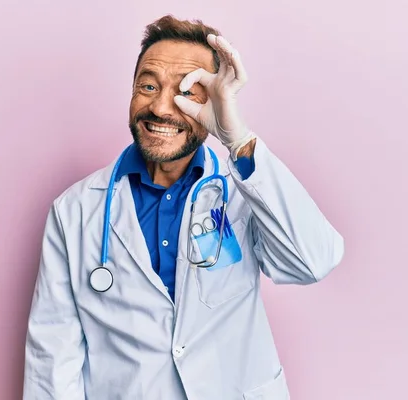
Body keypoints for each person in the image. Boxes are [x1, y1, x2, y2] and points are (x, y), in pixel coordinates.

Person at [23, 15, 344, 400]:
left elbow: (312, 262)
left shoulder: (243, 193)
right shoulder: (74, 211)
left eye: (187, 92)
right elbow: (52, 357)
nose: (161, 107)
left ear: (214, 103)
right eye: (148, 85)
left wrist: (237, 138)